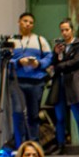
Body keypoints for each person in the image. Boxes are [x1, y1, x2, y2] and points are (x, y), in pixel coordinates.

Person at [10, 11, 53, 144]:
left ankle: (33, 143)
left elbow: (49, 57)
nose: (28, 24)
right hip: (17, 81)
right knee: (18, 112)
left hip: (36, 82)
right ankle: (19, 144)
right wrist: (18, 62)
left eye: (31, 22)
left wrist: (38, 63)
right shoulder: (11, 40)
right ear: (19, 22)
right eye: (25, 21)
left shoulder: (40, 40)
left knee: (34, 114)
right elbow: (6, 60)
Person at [50, 18, 79, 148]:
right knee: (60, 117)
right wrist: (56, 54)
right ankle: (60, 143)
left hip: (74, 82)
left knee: (78, 115)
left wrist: (59, 66)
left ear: (72, 30)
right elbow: (53, 63)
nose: (64, 33)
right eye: (62, 30)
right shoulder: (59, 46)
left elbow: (77, 61)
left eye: (67, 30)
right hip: (60, 82)